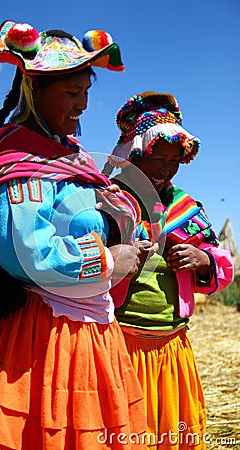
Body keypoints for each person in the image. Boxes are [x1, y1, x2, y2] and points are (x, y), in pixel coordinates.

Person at [0, 21, 147, 449]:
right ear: (34, 91)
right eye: (71, 93)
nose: (83, 105)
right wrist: (112, 259)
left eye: (86, 92)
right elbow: (28, 253)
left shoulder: (67, 156)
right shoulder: (20, 161)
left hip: (84, 327)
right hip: (36, 340)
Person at [103, 91, 234, 449]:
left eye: (174, 161)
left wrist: (203, 260)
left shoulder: (185, 207)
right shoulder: (106, 203)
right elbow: (79, 266)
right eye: (156, 158)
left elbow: (219, 259)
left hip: (172, 348)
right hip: (118, 346)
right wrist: (118, 260)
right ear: (131, 156)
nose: (165, 169)